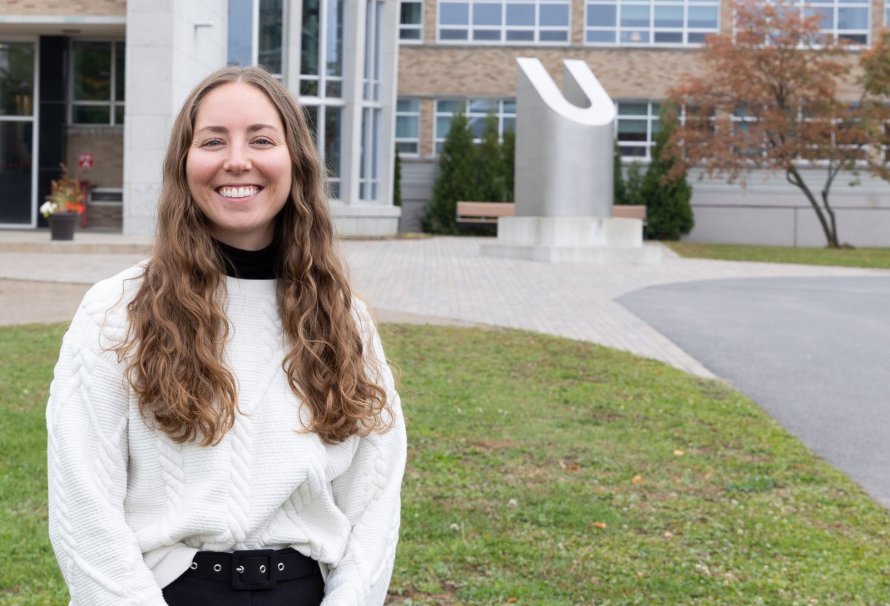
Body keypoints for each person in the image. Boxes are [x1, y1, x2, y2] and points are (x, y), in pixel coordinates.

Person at [46, 66, 407, 606]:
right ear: (184, 164)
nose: (238, 160)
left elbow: (374, 499)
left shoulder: (343, 318)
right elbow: (83, 504)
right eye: (213, 140)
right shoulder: (115, 311)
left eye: (262, 139)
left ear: (296, 163)